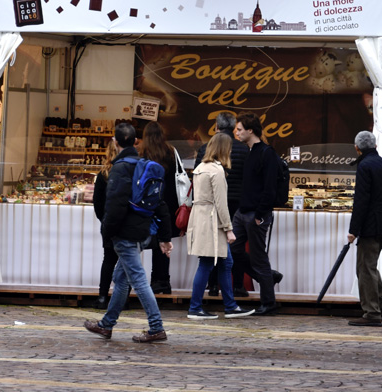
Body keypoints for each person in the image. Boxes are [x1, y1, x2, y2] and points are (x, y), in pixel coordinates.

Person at [83, 121, 172, 344]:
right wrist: (164, 236)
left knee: (138, 280)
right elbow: (160, 203)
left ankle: (156, 327)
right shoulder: (143, 165)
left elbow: (115, 205)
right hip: (142, 230)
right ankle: (106, 325)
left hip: (125, 234)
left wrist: (107, 232)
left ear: (115, 142)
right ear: (135, 142)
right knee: (121, 279)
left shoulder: (120, 168)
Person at [186, 133, 255, 319]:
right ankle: (196, 307)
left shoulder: (201, 167)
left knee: (224, 262)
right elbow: (221, 204)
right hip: (212, 222)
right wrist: (229, 229)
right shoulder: (217, 171)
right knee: (207, 263)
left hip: (201, 219)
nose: (231, 151)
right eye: (229, 148)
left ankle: (229, 306)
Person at [347, 131, 382, 327]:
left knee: (365, 268)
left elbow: (361, 201)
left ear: (357, 148)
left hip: (370, 225)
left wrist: (353, 229)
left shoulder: (364, 166)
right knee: (369, 266)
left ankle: (372, 312)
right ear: (375, 146)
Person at [230, 113, 282, 316]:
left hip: (256, 213)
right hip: (242, 212)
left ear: (250, 130)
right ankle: (269, 277)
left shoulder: (267, 153)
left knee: (259, 257)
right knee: (233, 251)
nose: (236, 132)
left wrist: (260, 214)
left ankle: (268, 302)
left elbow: (270, 187)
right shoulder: (250, 151)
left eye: (240, 129)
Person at [195, 112, 249, 297]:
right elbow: (249, 178)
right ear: (234, 128)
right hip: (238, 203)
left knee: (213, 245)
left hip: (211, 205)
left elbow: (197, 179)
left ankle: (213, 285)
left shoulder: (205, 148)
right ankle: (238, 286)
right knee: (237, 245)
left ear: (216, 127)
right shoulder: (244, 149)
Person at [141, 121, 178, 295]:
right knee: (164, 242)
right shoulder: (170, 152)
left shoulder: (142, 153)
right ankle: (163, 280)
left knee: (144, 242)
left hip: (147, 203)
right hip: (167, 203)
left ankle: (151, 281)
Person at [93, 139, 122, 309]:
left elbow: (97, 203)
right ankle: (122, 298)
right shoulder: (128, 171)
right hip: (125, 223)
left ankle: (102, 297)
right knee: (126, 262)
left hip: (108, 223)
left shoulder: (103, 174)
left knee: (108, 260)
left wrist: (104, 220)